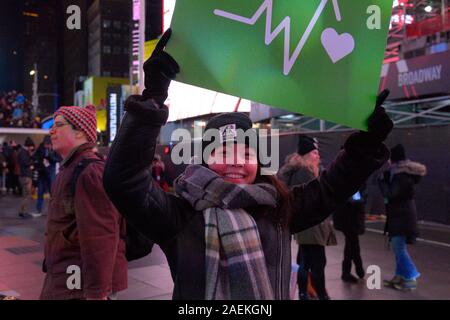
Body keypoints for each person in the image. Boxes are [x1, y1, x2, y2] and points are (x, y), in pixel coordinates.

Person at [103, 29, 393, 300]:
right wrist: (153, 98)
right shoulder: (178, 216)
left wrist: (367, 144)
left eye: (246, 153)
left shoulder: (280, 209)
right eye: (222, 152)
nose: (236, 162)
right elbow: (123, 180)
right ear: (204, 159)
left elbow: (332, 188)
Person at [40, 105, 127, 300]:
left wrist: (97, 294)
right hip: (68, 279)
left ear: (80, 132)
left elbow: (101, 237)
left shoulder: (89, 172)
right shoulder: (71, 168)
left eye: (59, 125)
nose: (51, 131)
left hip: (80, 288)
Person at [278, 136, 337, 300]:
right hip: (311, 225)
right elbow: (310, 200)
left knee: (306, 261)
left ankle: (306, 293)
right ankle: (319, 294)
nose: (318, 155)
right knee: (316, 263)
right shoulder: (304, 173)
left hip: (311, 225)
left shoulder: (308, 170)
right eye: (314, 152)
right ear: (306, 155)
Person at [379, 144, 426, 291]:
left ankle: (411, 277)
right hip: (400, 215)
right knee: (397, 247)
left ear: (393, 159)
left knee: (399, 248)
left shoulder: (401, 175)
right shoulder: (399, 173)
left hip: (402, 217)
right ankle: (399, 276)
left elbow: (392, 194)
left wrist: (383, 183)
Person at [333, 187, 366, 283]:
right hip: (350, 218)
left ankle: (357, 270)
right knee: (352, 243)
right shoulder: (353, 183)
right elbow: (356, 201)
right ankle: (349, 271)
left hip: (346, 217)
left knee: (352, 243)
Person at [32, 135, 60, 216]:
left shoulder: (55, 148)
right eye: (45, 144)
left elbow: (58, 159)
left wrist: (51, 157)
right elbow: (35, 157)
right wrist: (39, 161)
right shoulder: (41, 147)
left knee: (53, 192)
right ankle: (38, 210)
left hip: (51, 172)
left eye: (47, 144)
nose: (46, 146)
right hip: (42, 172)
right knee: (40, 192)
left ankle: (54, 211)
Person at [18, 137, 35, 218]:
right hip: (26, 176)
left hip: (24, 175)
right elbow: (25, 162)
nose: (32, 148)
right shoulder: (24, 152)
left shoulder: (22, 152)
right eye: (32, 146)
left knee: (26, 194)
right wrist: (31, 163)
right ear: (29, 145)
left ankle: (22, 211)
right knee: (27, 195)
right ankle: (23, 212)